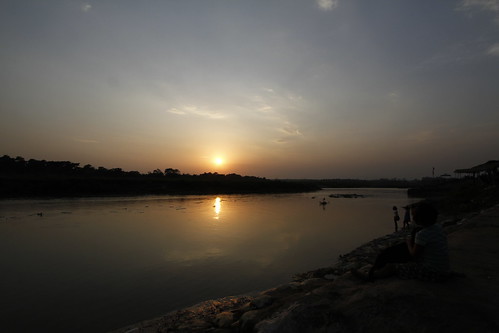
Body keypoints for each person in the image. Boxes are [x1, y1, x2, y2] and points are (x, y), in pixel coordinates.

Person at [353, 201, 450, 282]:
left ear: (418, 219)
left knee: (392, 267)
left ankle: (370, 276)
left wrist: (408, 243)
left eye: (414, 216)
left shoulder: (422, 235)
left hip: (432, 273)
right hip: (444, 270)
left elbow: (414, 255)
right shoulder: (438, 228)